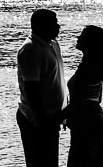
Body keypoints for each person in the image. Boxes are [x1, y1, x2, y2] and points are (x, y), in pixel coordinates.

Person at [16, 8, 68, 167]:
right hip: (36, 120)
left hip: (51, 119)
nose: (58, 27)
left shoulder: (52, 44)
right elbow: (31, 89)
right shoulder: (31, 49)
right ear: (41, 26)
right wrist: (44, 121)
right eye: (54, 23)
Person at [65, 25, 103, 167]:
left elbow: (77, 101)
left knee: (84, 160)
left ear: (90, 43)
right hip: (95, 117)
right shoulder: (96, 65)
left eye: (82, 36)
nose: (78, 38)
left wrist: (54, 119)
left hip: (86, 120)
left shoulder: (86, 67)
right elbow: (98, 98)